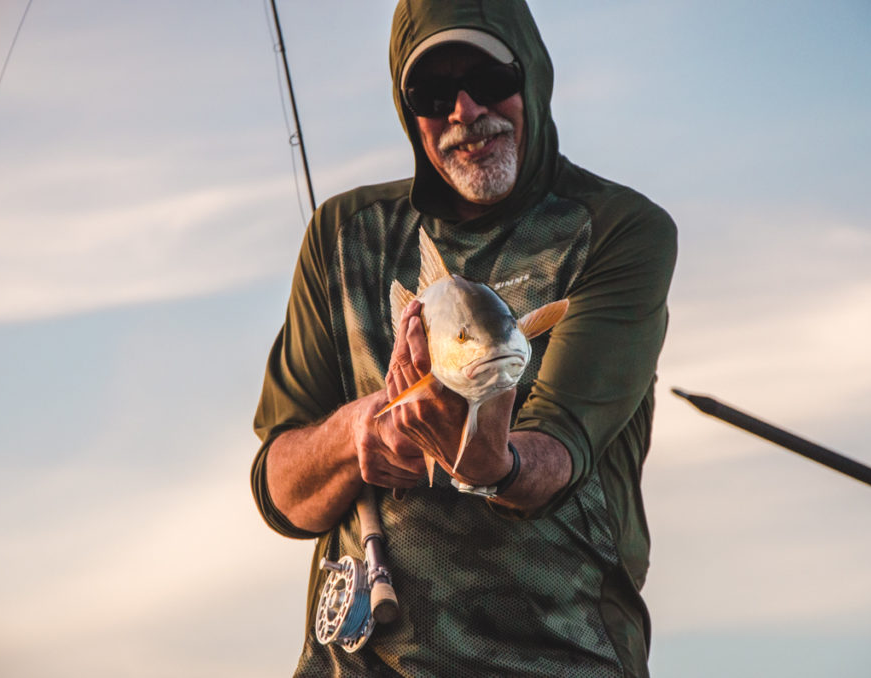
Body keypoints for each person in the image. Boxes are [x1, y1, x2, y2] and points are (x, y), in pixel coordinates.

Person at [251, 1, 677, 675]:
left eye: (486, 75)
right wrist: (356, 434)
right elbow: (280, 490)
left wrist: (490, 463)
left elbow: (557, 450)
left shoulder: (620, 230)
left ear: (530, 75)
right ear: (405, 106)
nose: (464, 110)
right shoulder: (341, 235)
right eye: (431, 91)